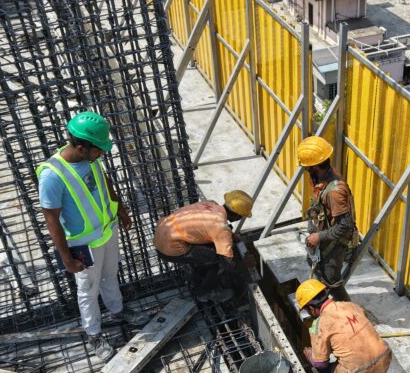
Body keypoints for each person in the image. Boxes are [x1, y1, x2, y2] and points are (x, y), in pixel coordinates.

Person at [37, 111, 149, 360]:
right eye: (99, 150)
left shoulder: (90, 158)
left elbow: (103, 180)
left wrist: (119, 207)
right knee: (88, 289)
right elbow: (51, 218)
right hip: (84, 243)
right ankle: (94, 334)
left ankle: (118, 310)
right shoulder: (52, 175)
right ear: (79, 147)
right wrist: (66, 257)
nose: (102, 154)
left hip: (107, 231)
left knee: (111, 275)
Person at [153, 191, 254, 300]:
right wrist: (244, 264)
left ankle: (200, 271)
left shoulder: (210, 204)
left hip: (161, 235)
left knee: (211, 248)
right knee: (219, 261)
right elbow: (228, 265)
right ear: (238, 215)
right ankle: (205, 293)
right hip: (169, 249)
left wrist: (229, 235)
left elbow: (205, 226)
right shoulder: (221, 228)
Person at [296, 278, 391, 373]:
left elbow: (321, 364)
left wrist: (310, 356)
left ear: (311, 308)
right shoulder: (350, 305)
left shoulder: (319, 324)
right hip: (385, 359)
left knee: (317, 371)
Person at [298, 136, 358, 302]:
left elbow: (344, 226)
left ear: (316, 166)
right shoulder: (322, 177)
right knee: (315, 265)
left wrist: (318, 236)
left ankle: (347, 312)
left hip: (335, 241)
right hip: (325, 231)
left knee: (332, 281)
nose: (306, 170)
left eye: (307, 167)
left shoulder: (334, 191)